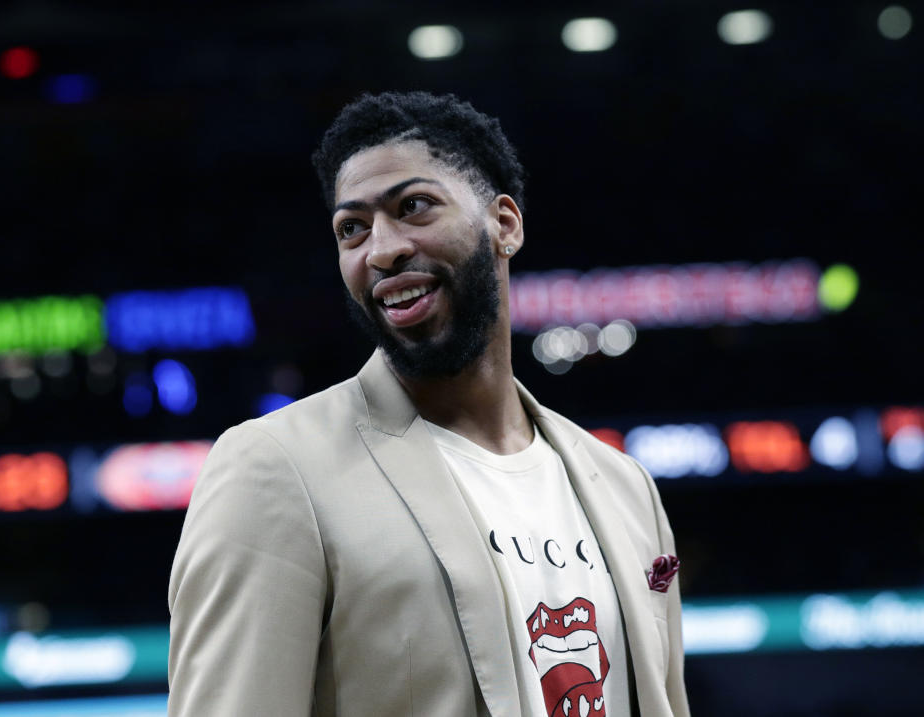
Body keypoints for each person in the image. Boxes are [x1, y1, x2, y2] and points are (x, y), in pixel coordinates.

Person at [168, 91, 689, 717]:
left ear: (505, 224)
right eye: (351, 228)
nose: (381, 250)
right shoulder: (275, 468)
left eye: (413, 207)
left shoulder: (626, 487)